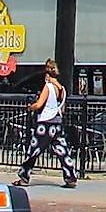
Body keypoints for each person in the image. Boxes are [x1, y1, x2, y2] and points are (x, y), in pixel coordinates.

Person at [13, 60, 78, 189]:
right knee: (62, 151)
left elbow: (39, 104)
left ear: (47, 75)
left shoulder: (48, 87)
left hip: (45, 123)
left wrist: (30, 107)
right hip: (57, 123)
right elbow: (63, 109)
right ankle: (71, 177)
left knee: (34, 150)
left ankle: (24, 177)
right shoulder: (62, 89)